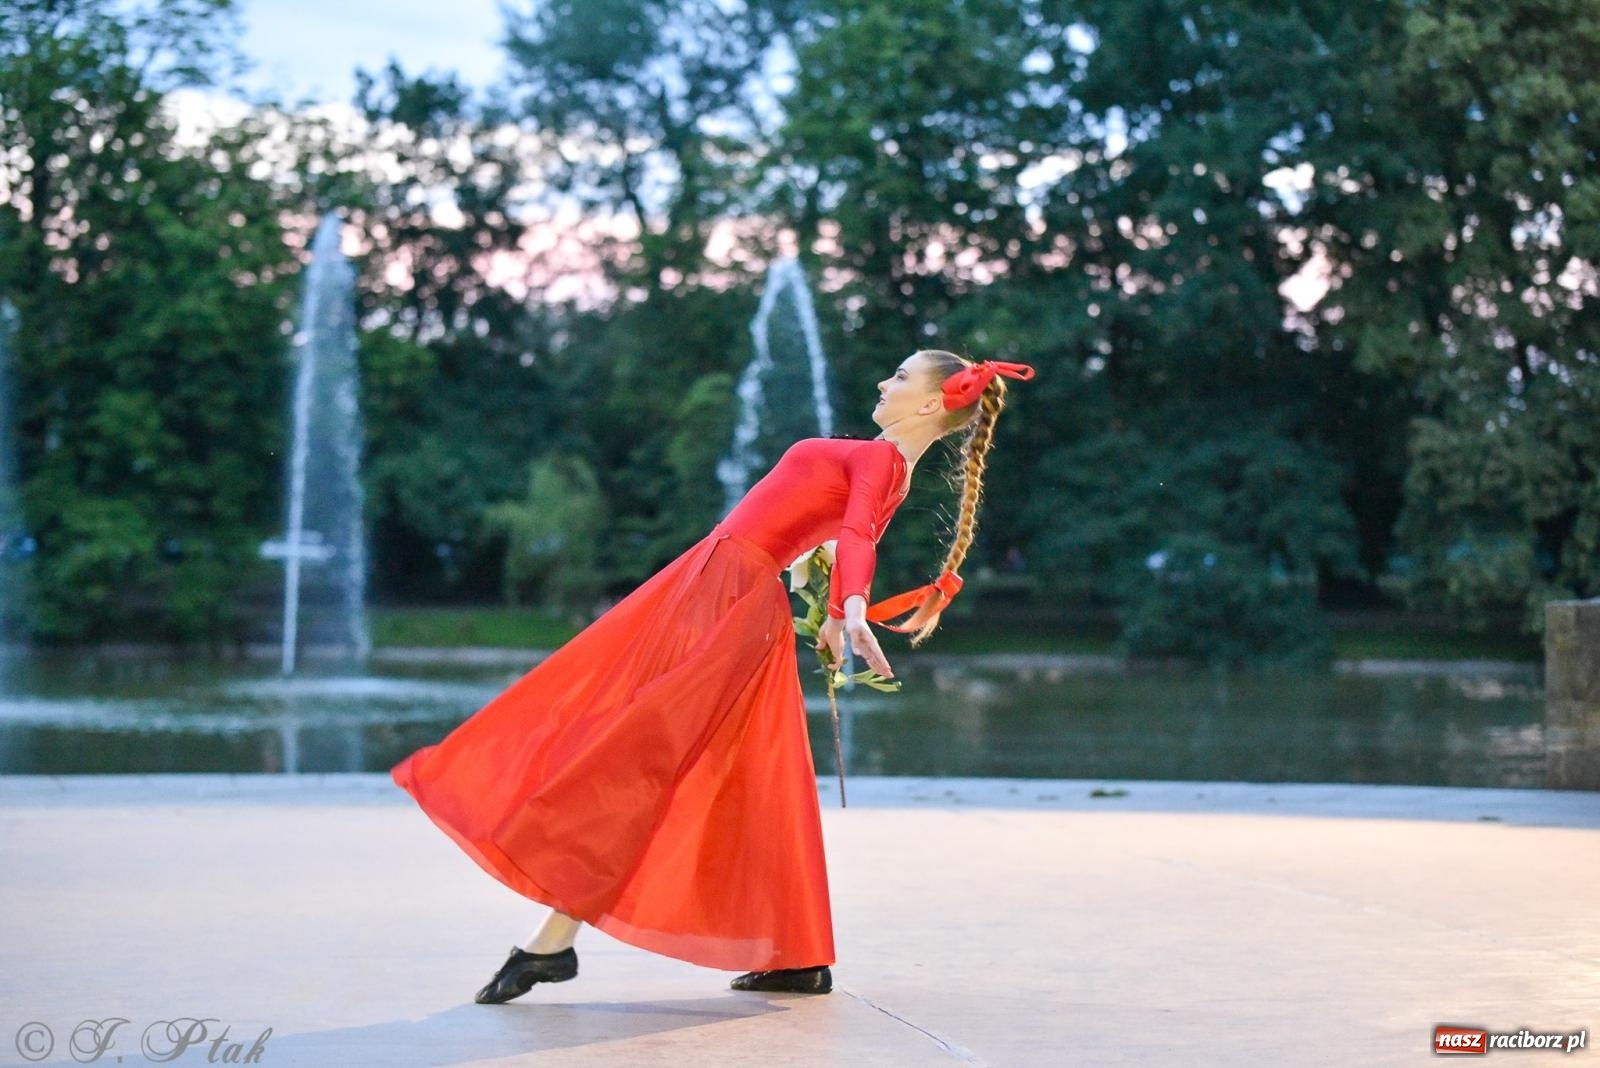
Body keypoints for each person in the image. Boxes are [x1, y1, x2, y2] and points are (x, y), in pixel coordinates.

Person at [390, 349, 1036, 1003]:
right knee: (729, 773)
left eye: (898, 376)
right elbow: (840, 533)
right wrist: (833, 602)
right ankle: (794, 955)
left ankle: (550, 941)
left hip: (727, 598)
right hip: (723, 592)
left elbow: (857, 537)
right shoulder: (889, 467)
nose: (881, 380)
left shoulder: (878, 462)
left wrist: (854, 608)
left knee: (632, 753)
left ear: (930, 403)